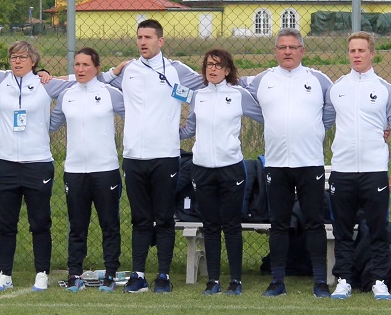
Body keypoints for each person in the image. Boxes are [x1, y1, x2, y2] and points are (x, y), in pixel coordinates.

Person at [103, 19, 205, 293]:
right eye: (139, 37)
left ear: (161, 41)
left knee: (163, 217)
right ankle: (138, 276)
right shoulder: (128, 70)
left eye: (148, 37)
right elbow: (92, 80)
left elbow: (205, 89)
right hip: (134, 156)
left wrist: (187, 129)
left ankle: (163, 276)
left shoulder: (176, 70)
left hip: (165, 155)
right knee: (140, 218)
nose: (143, 42)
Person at [242, 28, 333, 298]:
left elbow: (332, 111)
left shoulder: (318, 79)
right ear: (275, 51)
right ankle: (277, 282)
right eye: (282, 47)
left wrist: (314, 129)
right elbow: (237, 90)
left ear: (302, 51)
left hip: (310, 163)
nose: (287, 52)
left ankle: (320, 282)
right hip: (277, 164)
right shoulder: (263, 79)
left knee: (314, 223)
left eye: (293, 47)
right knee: (278, 224)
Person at [0, 41, 69, 291]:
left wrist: (54, 120)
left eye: (23, 57)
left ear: (33, 61)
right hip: (5, 165)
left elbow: (80, 82)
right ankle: (4, 273)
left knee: (39, 223)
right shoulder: (0, 80)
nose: (17, 61)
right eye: (14, 57)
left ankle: (42, 272)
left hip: (37, 164)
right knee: (6, 225)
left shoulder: (44, 83)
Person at [326, 31, 391, 300]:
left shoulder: (386, 90)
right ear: (347, 54)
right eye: (352, 51)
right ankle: (344, 280)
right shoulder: (336, 89)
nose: (357, 55)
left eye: (362, 50)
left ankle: (380, 281)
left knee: (377, 230)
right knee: (343, 230)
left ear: (372, 53)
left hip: (374, 171)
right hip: (342, 170)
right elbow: (322, 122)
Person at [180, 49, 263, 295]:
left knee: (231, 225)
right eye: (208, 65)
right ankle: (213, 280)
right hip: (202, 169)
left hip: (231, 169)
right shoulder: (198, 96)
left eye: (218, 65)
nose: (212, 69)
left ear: (228, 70)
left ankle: (235, 280)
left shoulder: (239, 95)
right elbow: (188, 130)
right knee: (211, 225)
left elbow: (268, 117)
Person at [49, 47, 125, 293]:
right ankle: (74, 274)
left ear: (97, 68)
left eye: (86, 65)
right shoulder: (67, 96)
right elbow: (50, 125)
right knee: (77, 225)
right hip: (74, 171)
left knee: (109, 224)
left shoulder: (110, 93)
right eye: (77, 65)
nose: (80, 69)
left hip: (105, 170)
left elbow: (137, 117)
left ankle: (111, 273)